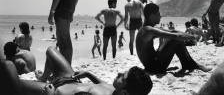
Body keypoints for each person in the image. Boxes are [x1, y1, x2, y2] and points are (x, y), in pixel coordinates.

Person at [0, 46, 153, 95]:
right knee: (51, 50)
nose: (119, 73)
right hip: (71, 78)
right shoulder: (115, 90)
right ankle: (43, 77)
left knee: (8, 67)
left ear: (125, 93)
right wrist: (88, 74)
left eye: (122, 76)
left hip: (55, 90)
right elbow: (101, 83)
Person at [136, 3, 211, 75]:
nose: (160, 16)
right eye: (158, 14)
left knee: (172, 38)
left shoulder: (146, 28)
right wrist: (193, 37)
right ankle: (191, 65)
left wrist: (187, 34)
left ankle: (188, 64)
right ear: (152, 16)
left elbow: (172, 31)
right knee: (175, 39)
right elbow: (175, 36)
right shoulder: (148, 30)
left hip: (150, 66)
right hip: (155, 68)